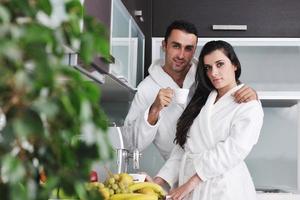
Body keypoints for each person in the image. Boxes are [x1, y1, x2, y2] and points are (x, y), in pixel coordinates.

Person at [122, 20, 257, 161]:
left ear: (194, 50)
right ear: (164, 45)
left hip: (214, 163)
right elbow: (132, 145)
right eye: (176, 46)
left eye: (188, 48)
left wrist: (251, 93)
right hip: (174, 171)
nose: (181, 55)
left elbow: (230, 92)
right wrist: (154, 110)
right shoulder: (147, 88)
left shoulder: (207, 74)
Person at [154, 40, 264, 200]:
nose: (213, 73)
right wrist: (158, 182)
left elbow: (233, 151)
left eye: (220, 64)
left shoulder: (248, 104)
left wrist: (191, 183)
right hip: (190, 187)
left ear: (234, 65)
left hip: (223, 188)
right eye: (208, 68)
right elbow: (184, 148)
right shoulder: (202, 101)